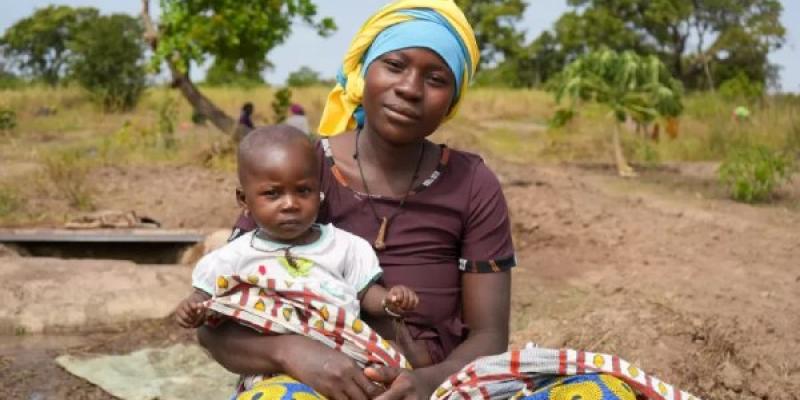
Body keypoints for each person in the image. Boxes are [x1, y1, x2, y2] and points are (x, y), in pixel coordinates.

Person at [199, 2, 516, 399]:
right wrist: (292, 352)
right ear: (363, 72)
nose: (410, 89)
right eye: (395, 66)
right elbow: (216, 329)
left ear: (452, 100)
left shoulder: (471, 183)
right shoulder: (300, 171)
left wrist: (427, 383)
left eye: (435, 79)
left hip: (440, 387)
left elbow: (489, 335)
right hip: (309, 385)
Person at [176, 125, 423, 388]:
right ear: (244, 199)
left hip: (345, 362)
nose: (290, 204)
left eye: (303, 191)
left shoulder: (344, 246)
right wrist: (193, 309)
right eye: (273, 193)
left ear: (319, 194)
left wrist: (389, 301)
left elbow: (365, 293)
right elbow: (206, 298)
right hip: (271, 371)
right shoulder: (233, 256)